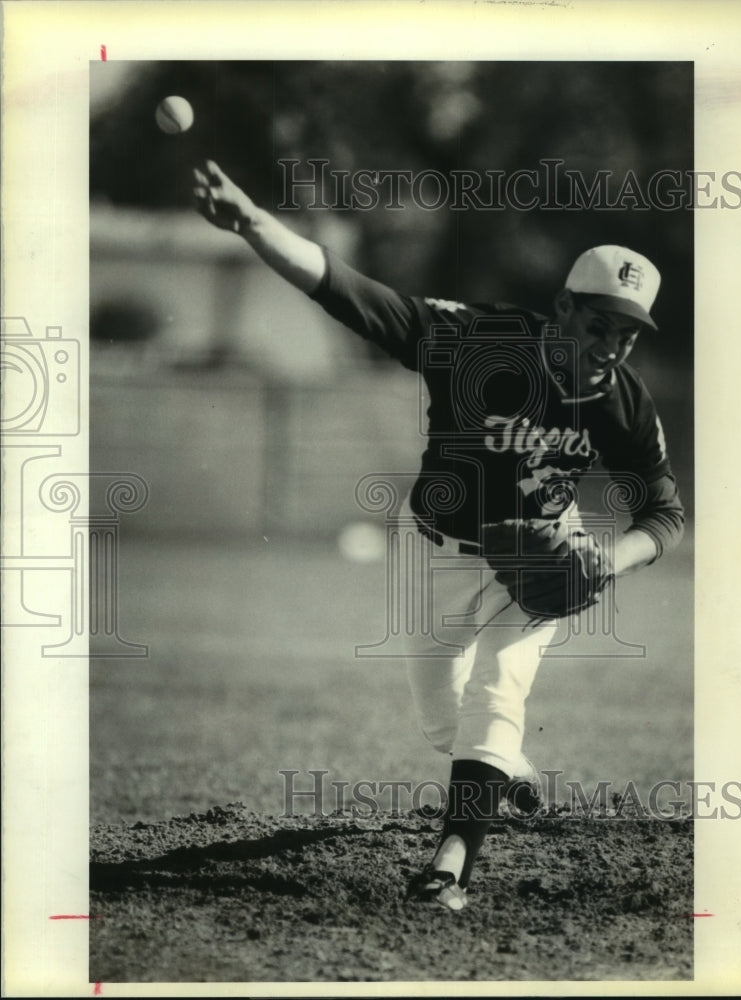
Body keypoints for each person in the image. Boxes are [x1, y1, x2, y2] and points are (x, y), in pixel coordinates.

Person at [192, 160, 685, 912]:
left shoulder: (621, 403)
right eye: (599, 325)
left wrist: (608, 560)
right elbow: (351, 294)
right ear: (563, 309)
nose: (611, 346)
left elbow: (664, 513)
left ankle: (452, 860)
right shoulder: (478, 342)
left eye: (627, 333)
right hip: (435, 550)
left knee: (500, 686)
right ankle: (506, 772)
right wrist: (256, 222)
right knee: (438, 713)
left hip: (540, 558)